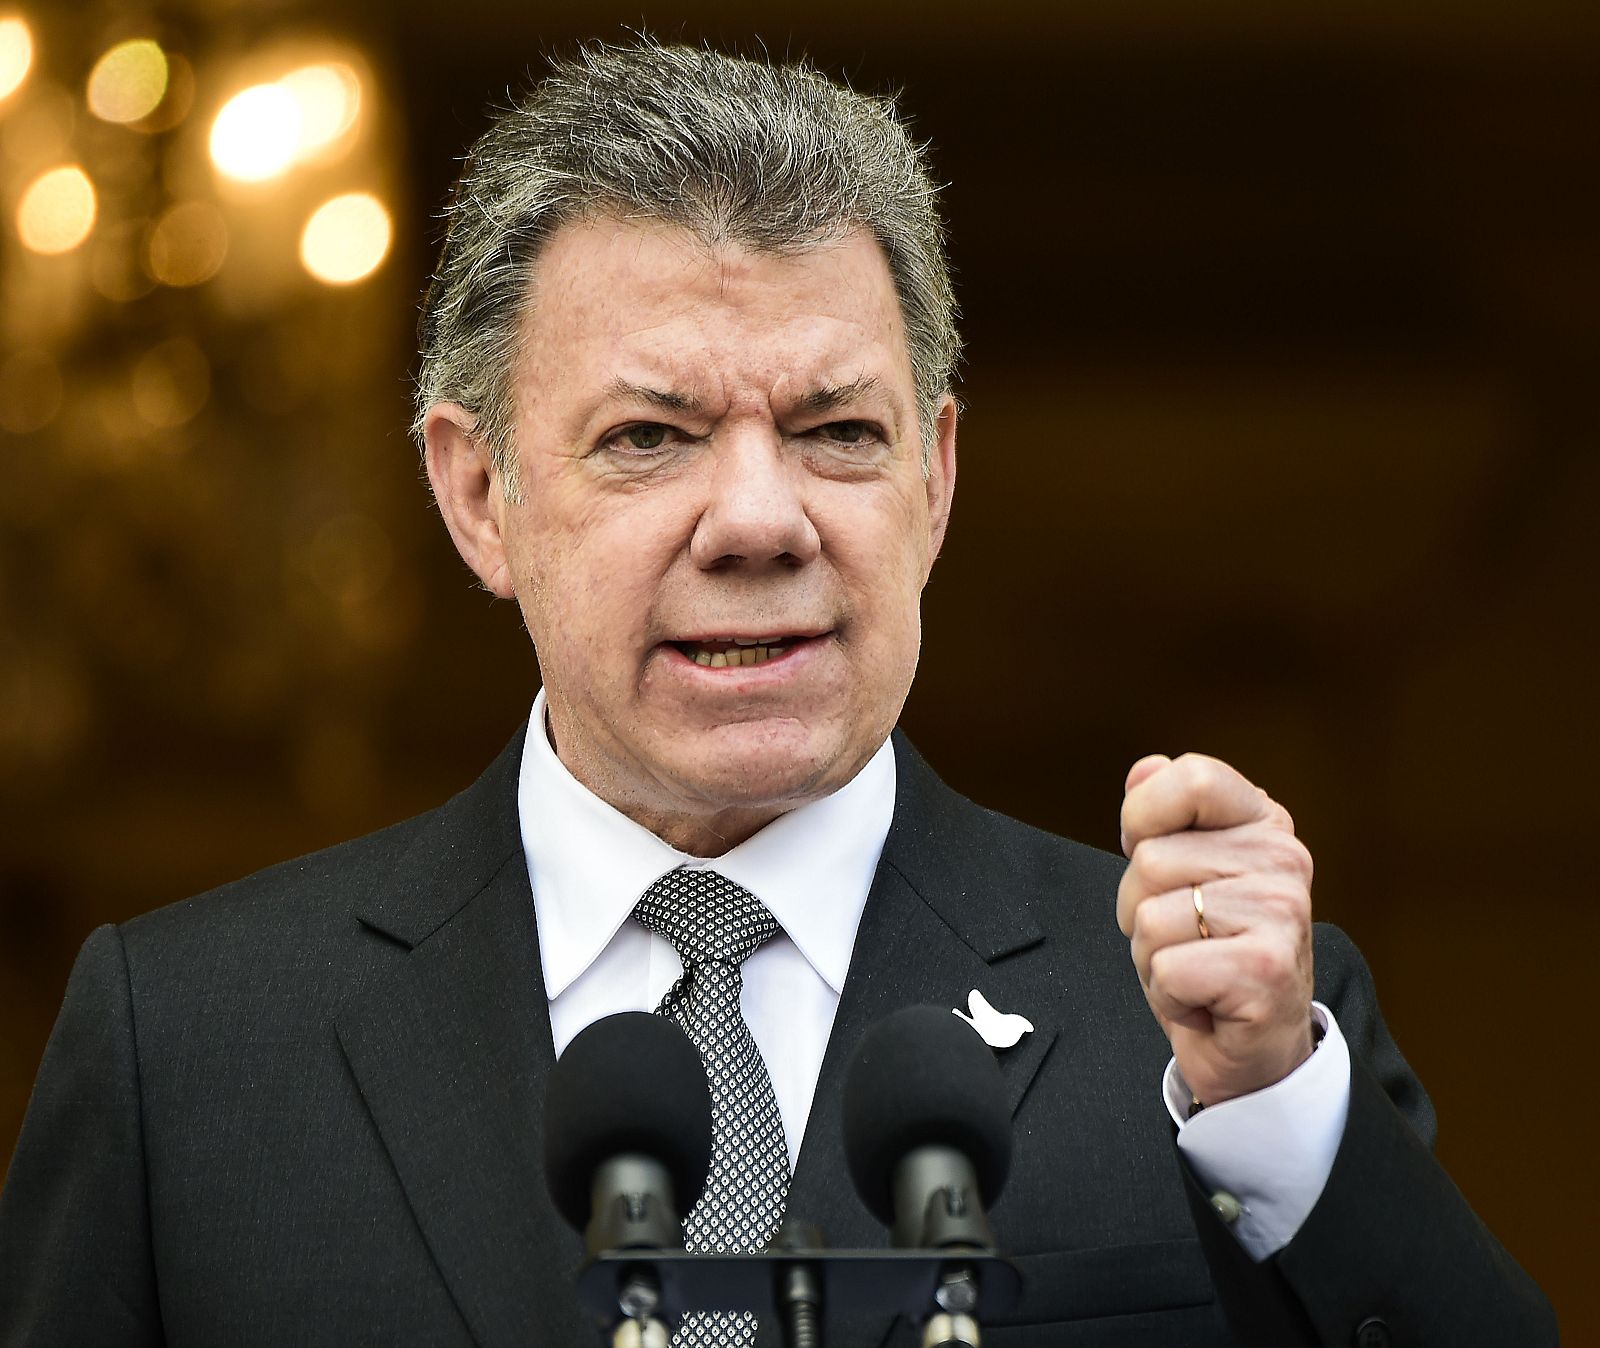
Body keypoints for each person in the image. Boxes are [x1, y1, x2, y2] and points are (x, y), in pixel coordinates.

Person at [0, 39, 1554, 1348]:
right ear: (478, 495)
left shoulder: (1216, 1028)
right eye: (650, 436)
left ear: (936, 480)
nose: (760, 519)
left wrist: (1274, 1119)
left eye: (836, 431)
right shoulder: (189, 1048)